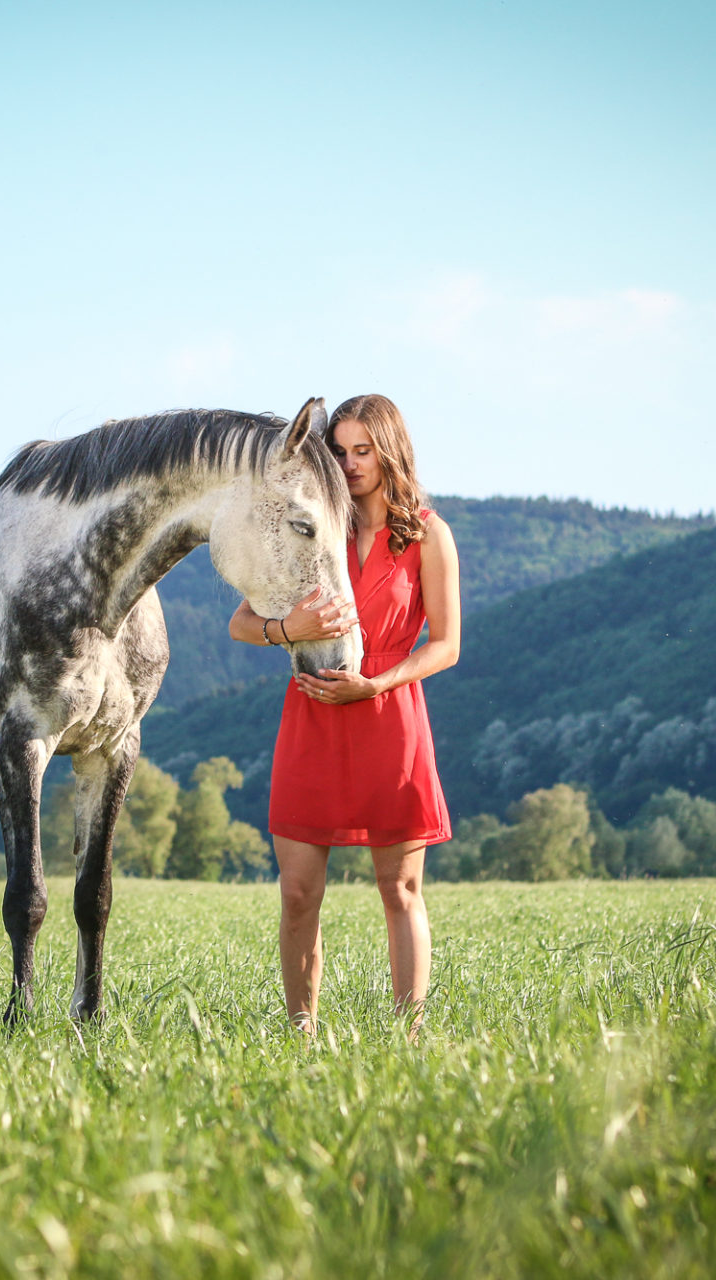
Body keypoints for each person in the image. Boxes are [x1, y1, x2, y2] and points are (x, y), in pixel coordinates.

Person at [228, 394, 460, 1033]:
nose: (352, 464)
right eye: (340, 451)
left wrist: (375, 683)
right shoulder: (307, 528)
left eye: (364, 450)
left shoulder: (428, 534)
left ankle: (408, 1033)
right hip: (311, 715)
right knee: (298, 892)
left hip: (390, 718)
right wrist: (288, 628)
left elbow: (446, 645)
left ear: (390, 453)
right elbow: (241, 623)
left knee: (401, 890)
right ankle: (300, 1031)